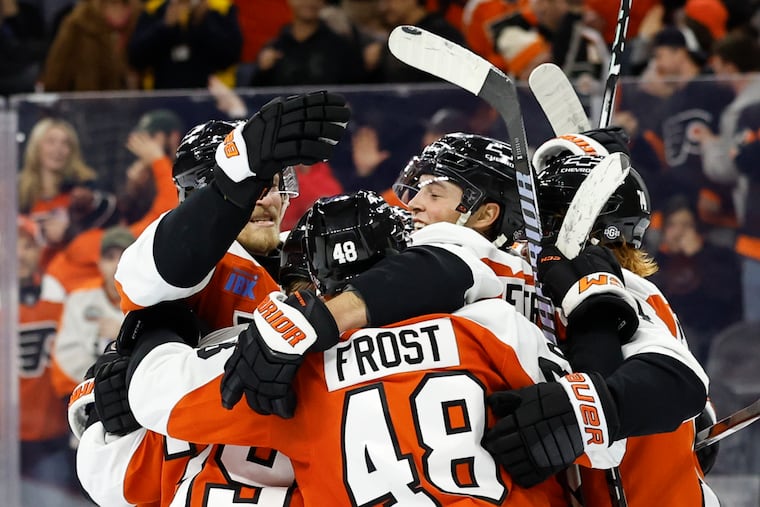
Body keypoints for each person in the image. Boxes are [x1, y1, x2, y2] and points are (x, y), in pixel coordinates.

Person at [118, 190, 578, 506]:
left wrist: (156, 325)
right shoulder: (491, 323)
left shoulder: (292, 365)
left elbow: (155, 394)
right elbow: (597, 431)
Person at [72, 93, 350, 506]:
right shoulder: (184, 265)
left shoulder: (319, 255)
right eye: (254, 184)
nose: (267, 198)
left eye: (276, 184)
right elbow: (153, 270)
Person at [481, 135, 715, 506]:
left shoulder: (623, 290)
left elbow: (679, 382)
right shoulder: (638, 291)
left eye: (543, 220)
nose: (526, 239)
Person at [17, 216, 81, 503]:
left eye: (27, 245)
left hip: (51, 433)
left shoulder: (59, 293)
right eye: (11, 245)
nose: (18, 253)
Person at [651, 194, 742, 363]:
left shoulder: (717, 256)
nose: (678, 233)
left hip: (713, 334)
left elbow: (726, 295)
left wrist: (698, 256)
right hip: (672, 338)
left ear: (697, 229)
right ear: (663, 231)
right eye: (672, 225)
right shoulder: (656, 262)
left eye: (686, 225)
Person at [50, 226, 135, 398]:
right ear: (99, 263)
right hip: (85, 394)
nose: (116, 265)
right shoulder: (79, 299)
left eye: (123, 256)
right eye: (110, 258)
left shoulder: (152, 299)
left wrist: (122, 334)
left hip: (135, 392)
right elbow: (67, 356)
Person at [127, 0, 243, 89]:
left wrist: (203, 22)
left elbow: (231, 55)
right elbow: (136, 58)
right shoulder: (154, 8)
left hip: (213, 98)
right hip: (163, 95)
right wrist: (165, 26)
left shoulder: (220, 7)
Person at [249, 0, 366, 87]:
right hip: (285, 117)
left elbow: (359, 91)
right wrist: (262, 71)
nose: (309, 1)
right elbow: (256, 97)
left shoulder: (341, 47)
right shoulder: (274, 48)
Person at [40, 0, 141, 91]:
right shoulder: (79, 21)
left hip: (138, 106)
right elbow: (56, 73)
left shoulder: (143, 16)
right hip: (88, 106)